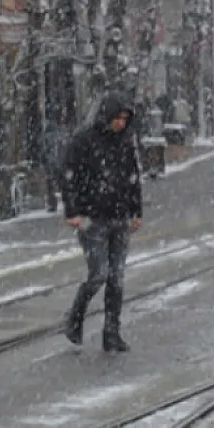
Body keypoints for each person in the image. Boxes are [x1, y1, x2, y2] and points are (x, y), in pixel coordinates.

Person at [62, 93, 143, 352]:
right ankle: (76, 315)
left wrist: (135, 210)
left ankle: (112, 332)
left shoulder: (125, 143)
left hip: (118, 217)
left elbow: (133, 177)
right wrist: (73, 211)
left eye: (124, 119)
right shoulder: (85, 141)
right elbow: (69, 176)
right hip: (92, 219)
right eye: (117, 118)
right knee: (99, 274)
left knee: (116, 278)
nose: (121, 123)